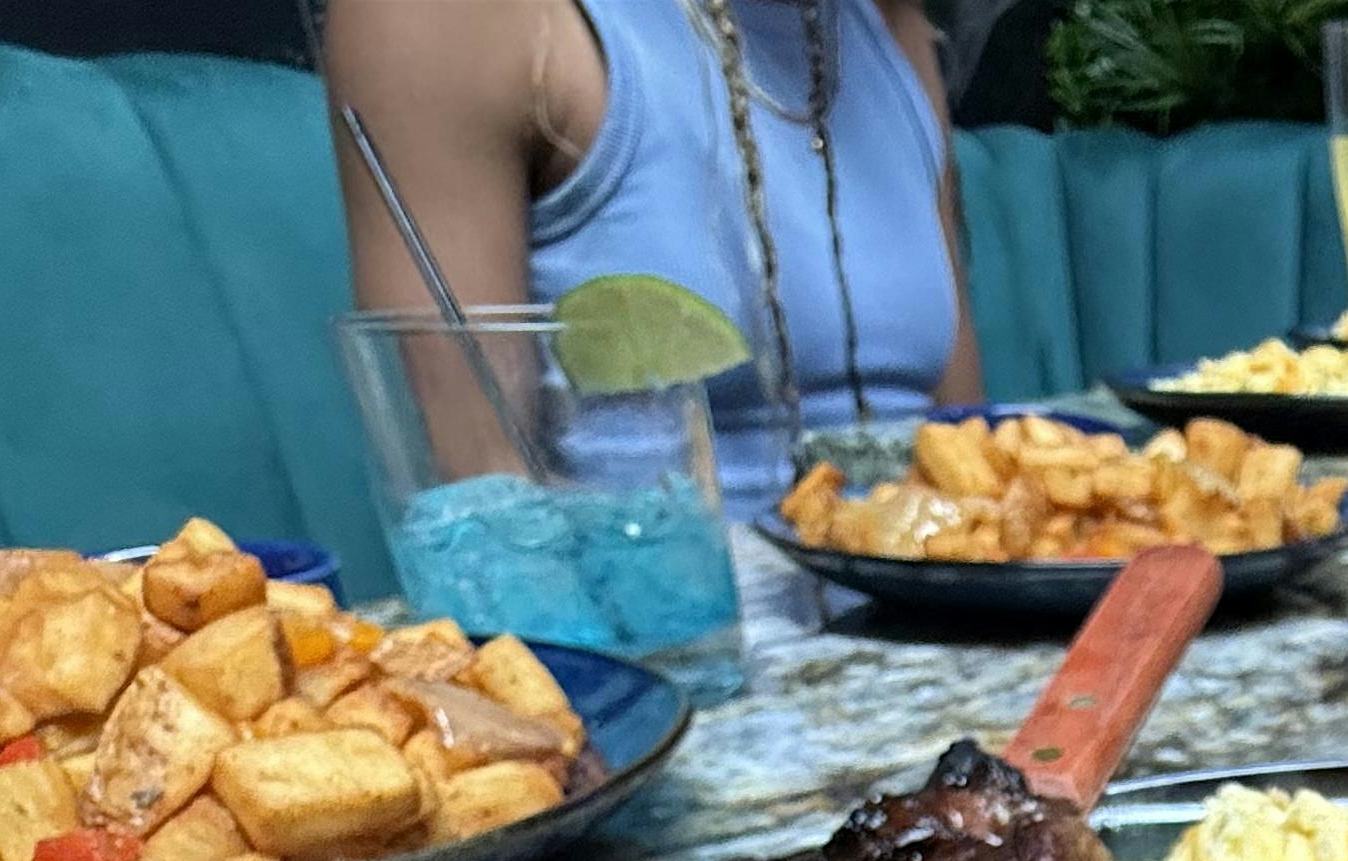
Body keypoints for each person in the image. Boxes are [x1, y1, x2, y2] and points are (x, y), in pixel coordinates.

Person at [326, 0, 984, 519]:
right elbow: (482, 528)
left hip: (944, 631)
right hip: (663, 635)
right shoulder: (456, 17)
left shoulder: (885, 22)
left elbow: (979, 465)